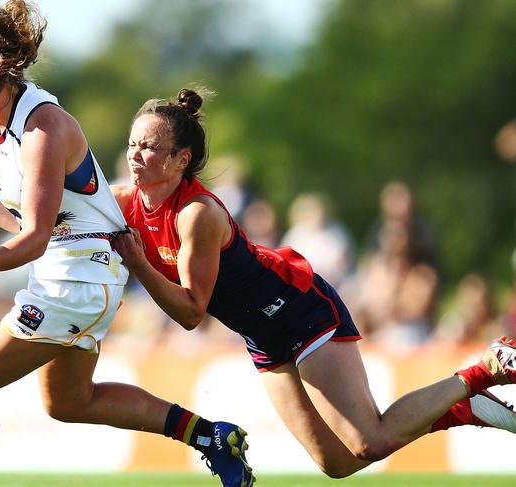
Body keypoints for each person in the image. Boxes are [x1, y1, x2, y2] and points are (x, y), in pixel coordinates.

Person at [0, 3, 253, 487]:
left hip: (83, 277)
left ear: (6, 63)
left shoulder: (44, 127)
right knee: (70, 403)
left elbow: (34, 236)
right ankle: (208, 436)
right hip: (56, 272)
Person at [103, 88, 516, 477]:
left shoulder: (196, 214)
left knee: (368, 443)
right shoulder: (122, 202)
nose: (135, 155)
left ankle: (485, 368)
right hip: (261, 334)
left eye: (149, 147)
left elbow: (192, 312)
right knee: (334, 464)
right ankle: (466, 410)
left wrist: (137, 264)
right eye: (132, 143)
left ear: (180, 159)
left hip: (298, 308)